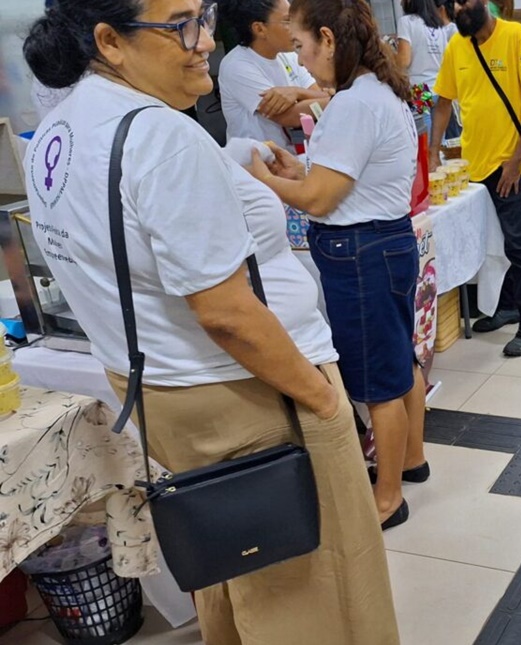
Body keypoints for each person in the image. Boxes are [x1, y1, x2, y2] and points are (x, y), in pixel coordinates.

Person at [20, 0, 401, 642]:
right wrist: (323, 400)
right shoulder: (159, 135)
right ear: (110, 41)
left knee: (237, 563)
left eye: (204, 15)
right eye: (181, 24)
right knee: (312, 583)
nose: (204, 40)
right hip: (244, 387)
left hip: (157, 383)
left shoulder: (60, 129)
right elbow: (226, 314)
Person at [248, 0, 427, 530]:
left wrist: (262, 180)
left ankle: (387, 498)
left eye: (302, 46)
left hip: (362, 253)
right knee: (398, 361)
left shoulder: (355, 103)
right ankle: (411, 460)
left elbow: (323, 201)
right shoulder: (373, 90)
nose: (301, 63)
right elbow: (346, 177)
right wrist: (299, 168)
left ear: (327, 38)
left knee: (377, 383)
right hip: (382, 242)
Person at [430, 0, 521, 356]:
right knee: (488, 242)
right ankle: (508, 305)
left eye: (464, 1)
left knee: (517, 242)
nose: (457, 8)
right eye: (451, 3)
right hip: (471, 167)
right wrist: (433, 150)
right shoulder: (456, 46)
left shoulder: (516, 35)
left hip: (507, 164)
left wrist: (514, 164)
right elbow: (442, 103)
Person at [217, 0, 331, 152]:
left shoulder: (289, 56)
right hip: (259, 165)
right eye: (286, 21)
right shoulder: (237, 65)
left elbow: (321, 93)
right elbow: (290, 116)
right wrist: (340, 101)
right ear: (259, 29)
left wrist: (298, 92)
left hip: (294, 158)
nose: (294, 27)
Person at [395, 0, 459, 135]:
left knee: (425, 139)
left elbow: (404, 60)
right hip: (440, 87)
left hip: (419, 88)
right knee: (438, 141)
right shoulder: (438, 24)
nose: (401, 2)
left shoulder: (406, 22)